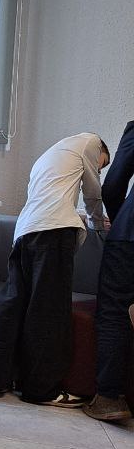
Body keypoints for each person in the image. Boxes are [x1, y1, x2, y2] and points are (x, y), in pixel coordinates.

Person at [0, 133, 110, 407]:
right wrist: (98, 224)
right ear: (101, 150)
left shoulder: (51, 154)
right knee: (49, 313)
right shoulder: (91, 141)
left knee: (12, 306)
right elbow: (93, 192)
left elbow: (52, 197)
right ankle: (40, 390)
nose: (99, 167)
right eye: (102, 163)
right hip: (54, 234)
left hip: (25, 231)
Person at [87, 120, 134, 421]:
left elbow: (114, 184)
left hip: (130, 236)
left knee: (115, 310)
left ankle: (109, 398)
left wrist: (119, 220)